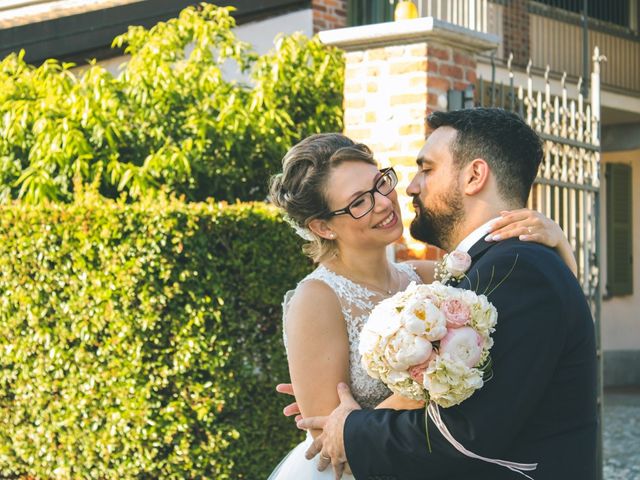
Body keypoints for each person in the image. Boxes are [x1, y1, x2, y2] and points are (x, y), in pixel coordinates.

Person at [268, 111, 588, 479]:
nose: (386, 202)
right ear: (323, 226)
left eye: (381, 183)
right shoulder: (316, 299)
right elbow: (330, 440)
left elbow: (520, 330)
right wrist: (422, 388)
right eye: (359, 202)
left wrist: (561, 249)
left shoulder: (428, 275)